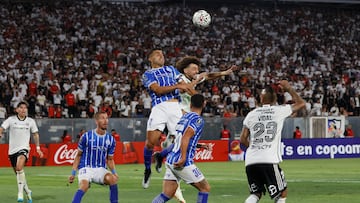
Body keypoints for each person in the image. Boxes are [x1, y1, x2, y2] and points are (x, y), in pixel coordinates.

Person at [240, 80, 305, 203]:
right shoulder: (279, 111)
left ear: (261, 98)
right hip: (269, 160)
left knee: (255, 193)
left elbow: (242, 139)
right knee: (282, 193)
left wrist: (254, 149)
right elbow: (301, 103)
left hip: (251, 160)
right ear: (274, 98)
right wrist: (289, 88)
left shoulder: (251, 114)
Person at [141, 49, 196, 189]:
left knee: (183, 140)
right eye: (157, 53)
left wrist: (196, 96)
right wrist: (178, 86)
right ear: (150, 58)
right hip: (159, 107)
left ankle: (161, 156)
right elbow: (157, 90)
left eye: (162, 54)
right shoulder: (147, 74)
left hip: (175, 107)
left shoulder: (171, 70)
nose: (161, 55)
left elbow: (185, 85)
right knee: (150, 143)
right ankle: (147, 170)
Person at [151, 94, 210, 203]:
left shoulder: (184, 117)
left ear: (190, 104)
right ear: (204, 104)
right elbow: (185, 137)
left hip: (170, 160)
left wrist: (199, 145)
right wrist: (183, 158)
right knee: (205, 188)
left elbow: (179, 139)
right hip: (182, 162)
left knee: (167, 193)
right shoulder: (198, 120)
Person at [68, 111, 118, 203]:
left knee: (112, 179)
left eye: (106, 118)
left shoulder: (111, 140)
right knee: (84, 186)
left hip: (100, 169)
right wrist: (73, 173)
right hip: (86, 167)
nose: (105, 121)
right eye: (102, 118)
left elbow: (110, 159)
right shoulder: (86, 136)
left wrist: (114, 172)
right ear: (96, 121)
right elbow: (78, 156)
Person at [0, 101, 44, 203]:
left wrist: (38, 148)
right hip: (12, 151)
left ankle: (20, 194)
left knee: (19, 168)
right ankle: (28, 191)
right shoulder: (11, 120)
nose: (23, 109)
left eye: (25, 108)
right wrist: (1, 133)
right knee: (19, 174)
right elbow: (2, 128)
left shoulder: (30, 121)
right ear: (17, 110)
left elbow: (35, 134)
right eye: (21, 108)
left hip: (24, 149)